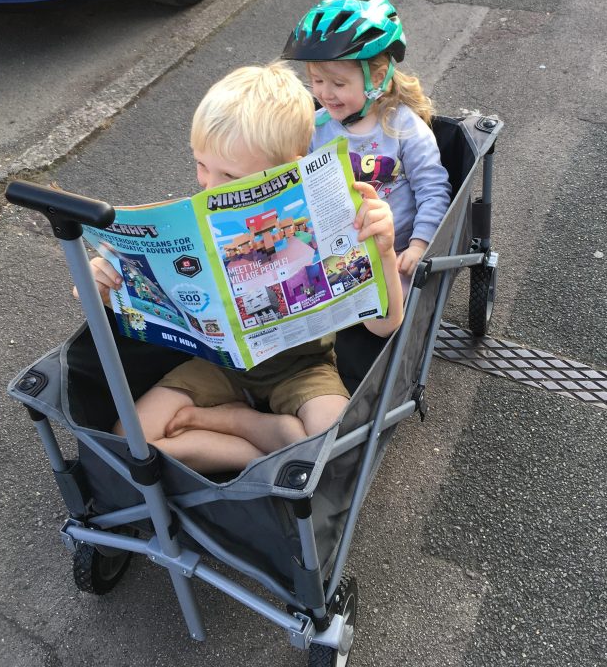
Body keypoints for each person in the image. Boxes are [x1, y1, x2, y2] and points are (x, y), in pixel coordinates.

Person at [82, 62, 403, 475]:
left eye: (230, 175)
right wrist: (102, 286)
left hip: (302, 369)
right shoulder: (195, 223)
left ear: (288, 168)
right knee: (128, 440)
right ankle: (262, 455)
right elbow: (134, 307)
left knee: (338, 445)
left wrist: (386, 251)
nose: (210, 185)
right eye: (202, 165)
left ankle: (235, 425)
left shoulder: (334, 216)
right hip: (217, 364)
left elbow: (385, 325)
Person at [282, 0, 451, 390]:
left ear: (377, 78)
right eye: (317, 80)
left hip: (391, 251)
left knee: (385, 320)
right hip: (332, 248)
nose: (325, 92)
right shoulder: (316, 126)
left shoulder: (404, 128)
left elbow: (434, 191)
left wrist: (420, 245)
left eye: (338, 83)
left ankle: (361, 380)